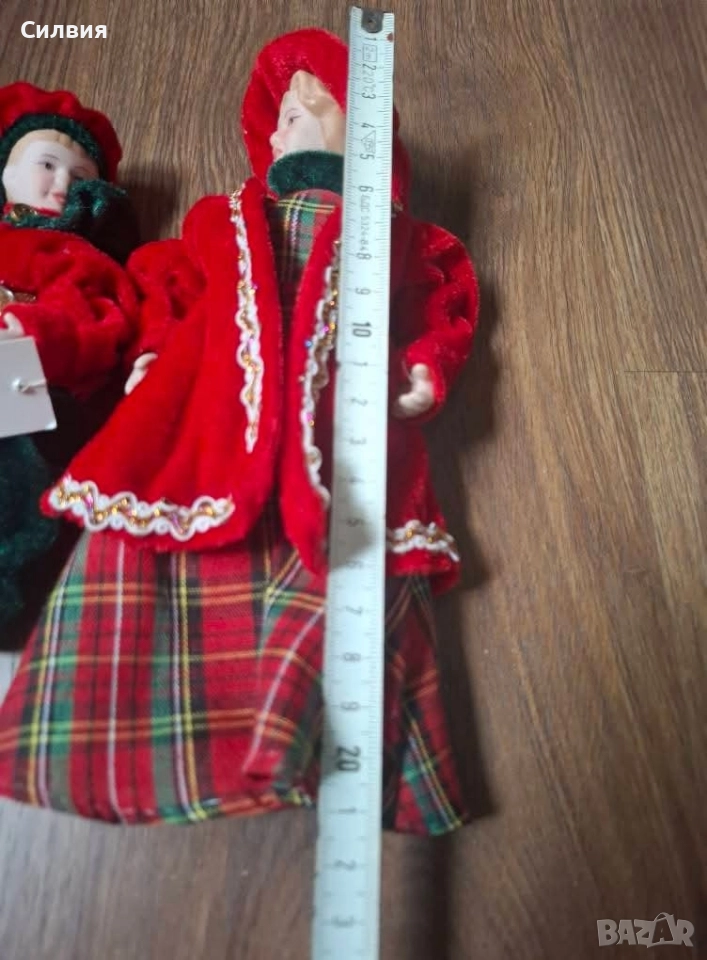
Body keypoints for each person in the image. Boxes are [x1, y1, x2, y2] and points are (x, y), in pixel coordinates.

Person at [0, 31, 479, 835]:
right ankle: (115, 747)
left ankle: (303, 748)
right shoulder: (220, 217)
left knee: (340, 564)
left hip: (339, 430)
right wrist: (155, 352)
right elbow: (173, 286)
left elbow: (441, 297)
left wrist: (427, 365)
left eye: (306, 113)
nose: (286, 129)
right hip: (206, 415)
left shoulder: (397, 234)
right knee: (162, 538)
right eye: (281, 117)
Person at [0, 82, 139, 634]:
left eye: (80, 179)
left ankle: (13, 573)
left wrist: (33, 330)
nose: (62, 185)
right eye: (47, 165)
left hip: (37, 390)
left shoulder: (79, 258)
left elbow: (98, 325)